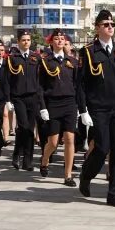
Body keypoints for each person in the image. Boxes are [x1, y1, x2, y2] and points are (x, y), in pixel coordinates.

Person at [77, 10, 115, 208]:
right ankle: (86, 174)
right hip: (98, 108)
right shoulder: (88, 52)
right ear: (97, 28)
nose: (110, 27)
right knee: (102, 148)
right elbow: (81, 84)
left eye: (112, 24)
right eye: (106, 24)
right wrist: (83, 110)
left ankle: (114, 194)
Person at [39, 29, 79, 186]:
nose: (60, 41)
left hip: (70, 103)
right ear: (51, 42)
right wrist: (42, 107)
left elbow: (77, 85)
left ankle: (68, 175)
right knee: (53, 143)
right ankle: (44, 160)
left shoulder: (72, 61)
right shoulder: (45, 62)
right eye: (56, 38)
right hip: (53, 103)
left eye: (62, 38)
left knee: (70, 138)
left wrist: (81, 107)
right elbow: (40, 87)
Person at [6, 30, 44, 171]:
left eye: (28, 40)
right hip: (19, 97)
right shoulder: (12, 58)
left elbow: (39, 80)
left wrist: (40, 99)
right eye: (23, 40)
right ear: (18, 41)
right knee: (23, 126)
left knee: (30, 129)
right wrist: (8, 99)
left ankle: (27, 161)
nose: (26, 42)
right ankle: (17, 154)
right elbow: (7, 80)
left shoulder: (36, 58)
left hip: (33, 97)